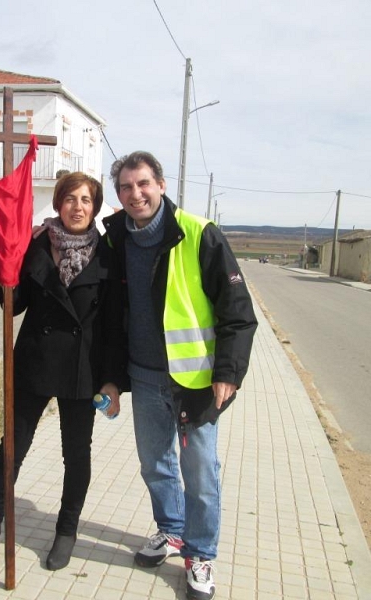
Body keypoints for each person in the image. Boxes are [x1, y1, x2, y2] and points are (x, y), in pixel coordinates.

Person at [103, 151, 257, 600]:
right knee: (155, 464)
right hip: (145, 378)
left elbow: (238, 313)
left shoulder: (199, 233)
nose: (136, 194)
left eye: (144, 183)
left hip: (196, 381)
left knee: (201, 473)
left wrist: (227, 371)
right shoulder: (116, 239)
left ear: (162, 185)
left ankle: (201, 552)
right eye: (127, 187)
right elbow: (113, 314)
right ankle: (171, 531)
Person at [0, 172, 127, 571]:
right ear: (58, 202)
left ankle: (66, 531)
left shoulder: (107, 253)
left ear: (95, 208)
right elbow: (16, 303)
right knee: (13, 447)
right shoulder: (35, 243)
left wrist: (112, 379)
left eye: (86, 200)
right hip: (35, 361)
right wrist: (7, 273)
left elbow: (114, 324)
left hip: (84, 368)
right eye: (70, 199)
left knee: (76, 455)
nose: (78, 207)